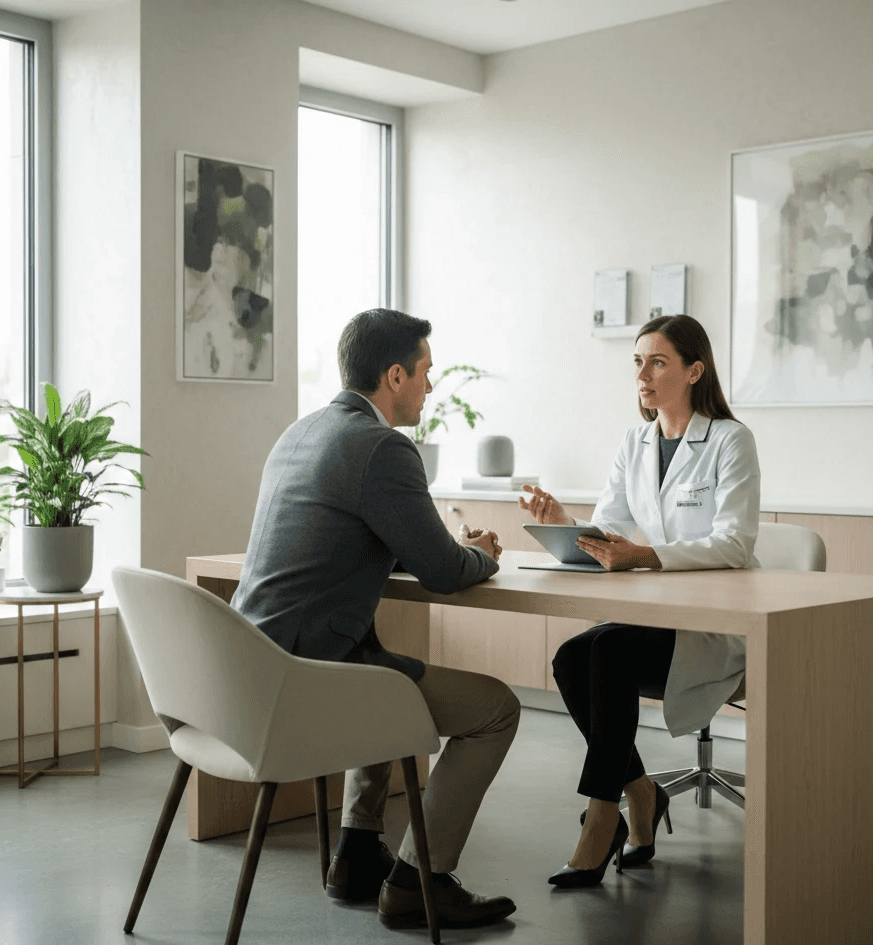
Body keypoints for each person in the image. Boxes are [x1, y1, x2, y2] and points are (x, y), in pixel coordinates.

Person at [232, 308, 520, 929]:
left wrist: (433, 546)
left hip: (246, 672)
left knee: (380, 657)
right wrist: (485, 555)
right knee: (496, 709)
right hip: (303, 684)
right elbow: (444, 571)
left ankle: (358, 852)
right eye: (424, 372)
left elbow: (354, 539)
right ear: (395, 376)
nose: (429, 385)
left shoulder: (300, 433)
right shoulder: (383, 447)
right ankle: (420, 881)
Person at [518, 314, 760, 888]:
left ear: (694, 371)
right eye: (637, 363)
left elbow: (735, 541)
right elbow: (611, 529)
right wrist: (567, 525)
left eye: (657, 362)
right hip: (654, 619)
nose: (643, 376)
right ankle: (640, 792)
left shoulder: (730, 440)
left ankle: (603, 819)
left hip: (711, 625)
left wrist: (648, 557)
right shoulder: (636, 442)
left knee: (609, 651)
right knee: (573, 658)